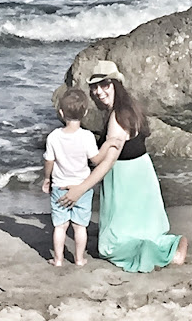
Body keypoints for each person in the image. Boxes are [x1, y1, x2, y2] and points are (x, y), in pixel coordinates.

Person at [57, 60, 188, 273]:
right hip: (141, 175)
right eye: (95, 87)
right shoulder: (128, 108)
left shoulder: (117, 118)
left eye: (105, 85)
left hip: (126, 182)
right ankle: (170, 245)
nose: (99, 92)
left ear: (116, 85)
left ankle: (172, 250)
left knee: (110, 247)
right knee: (138, 234)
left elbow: (107, 162)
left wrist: (80, 189)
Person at [42, 87, 120, 267]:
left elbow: (49, 161)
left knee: (60, 226)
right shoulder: (87, 136)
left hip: (60, 187)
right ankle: (79, 259)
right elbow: (96, 160)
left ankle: (58, 259)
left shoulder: (53, 137)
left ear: (61, 113)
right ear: (85, 113)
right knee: (80, 227)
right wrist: (108, 144)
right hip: (82, 188)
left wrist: (47, 179)